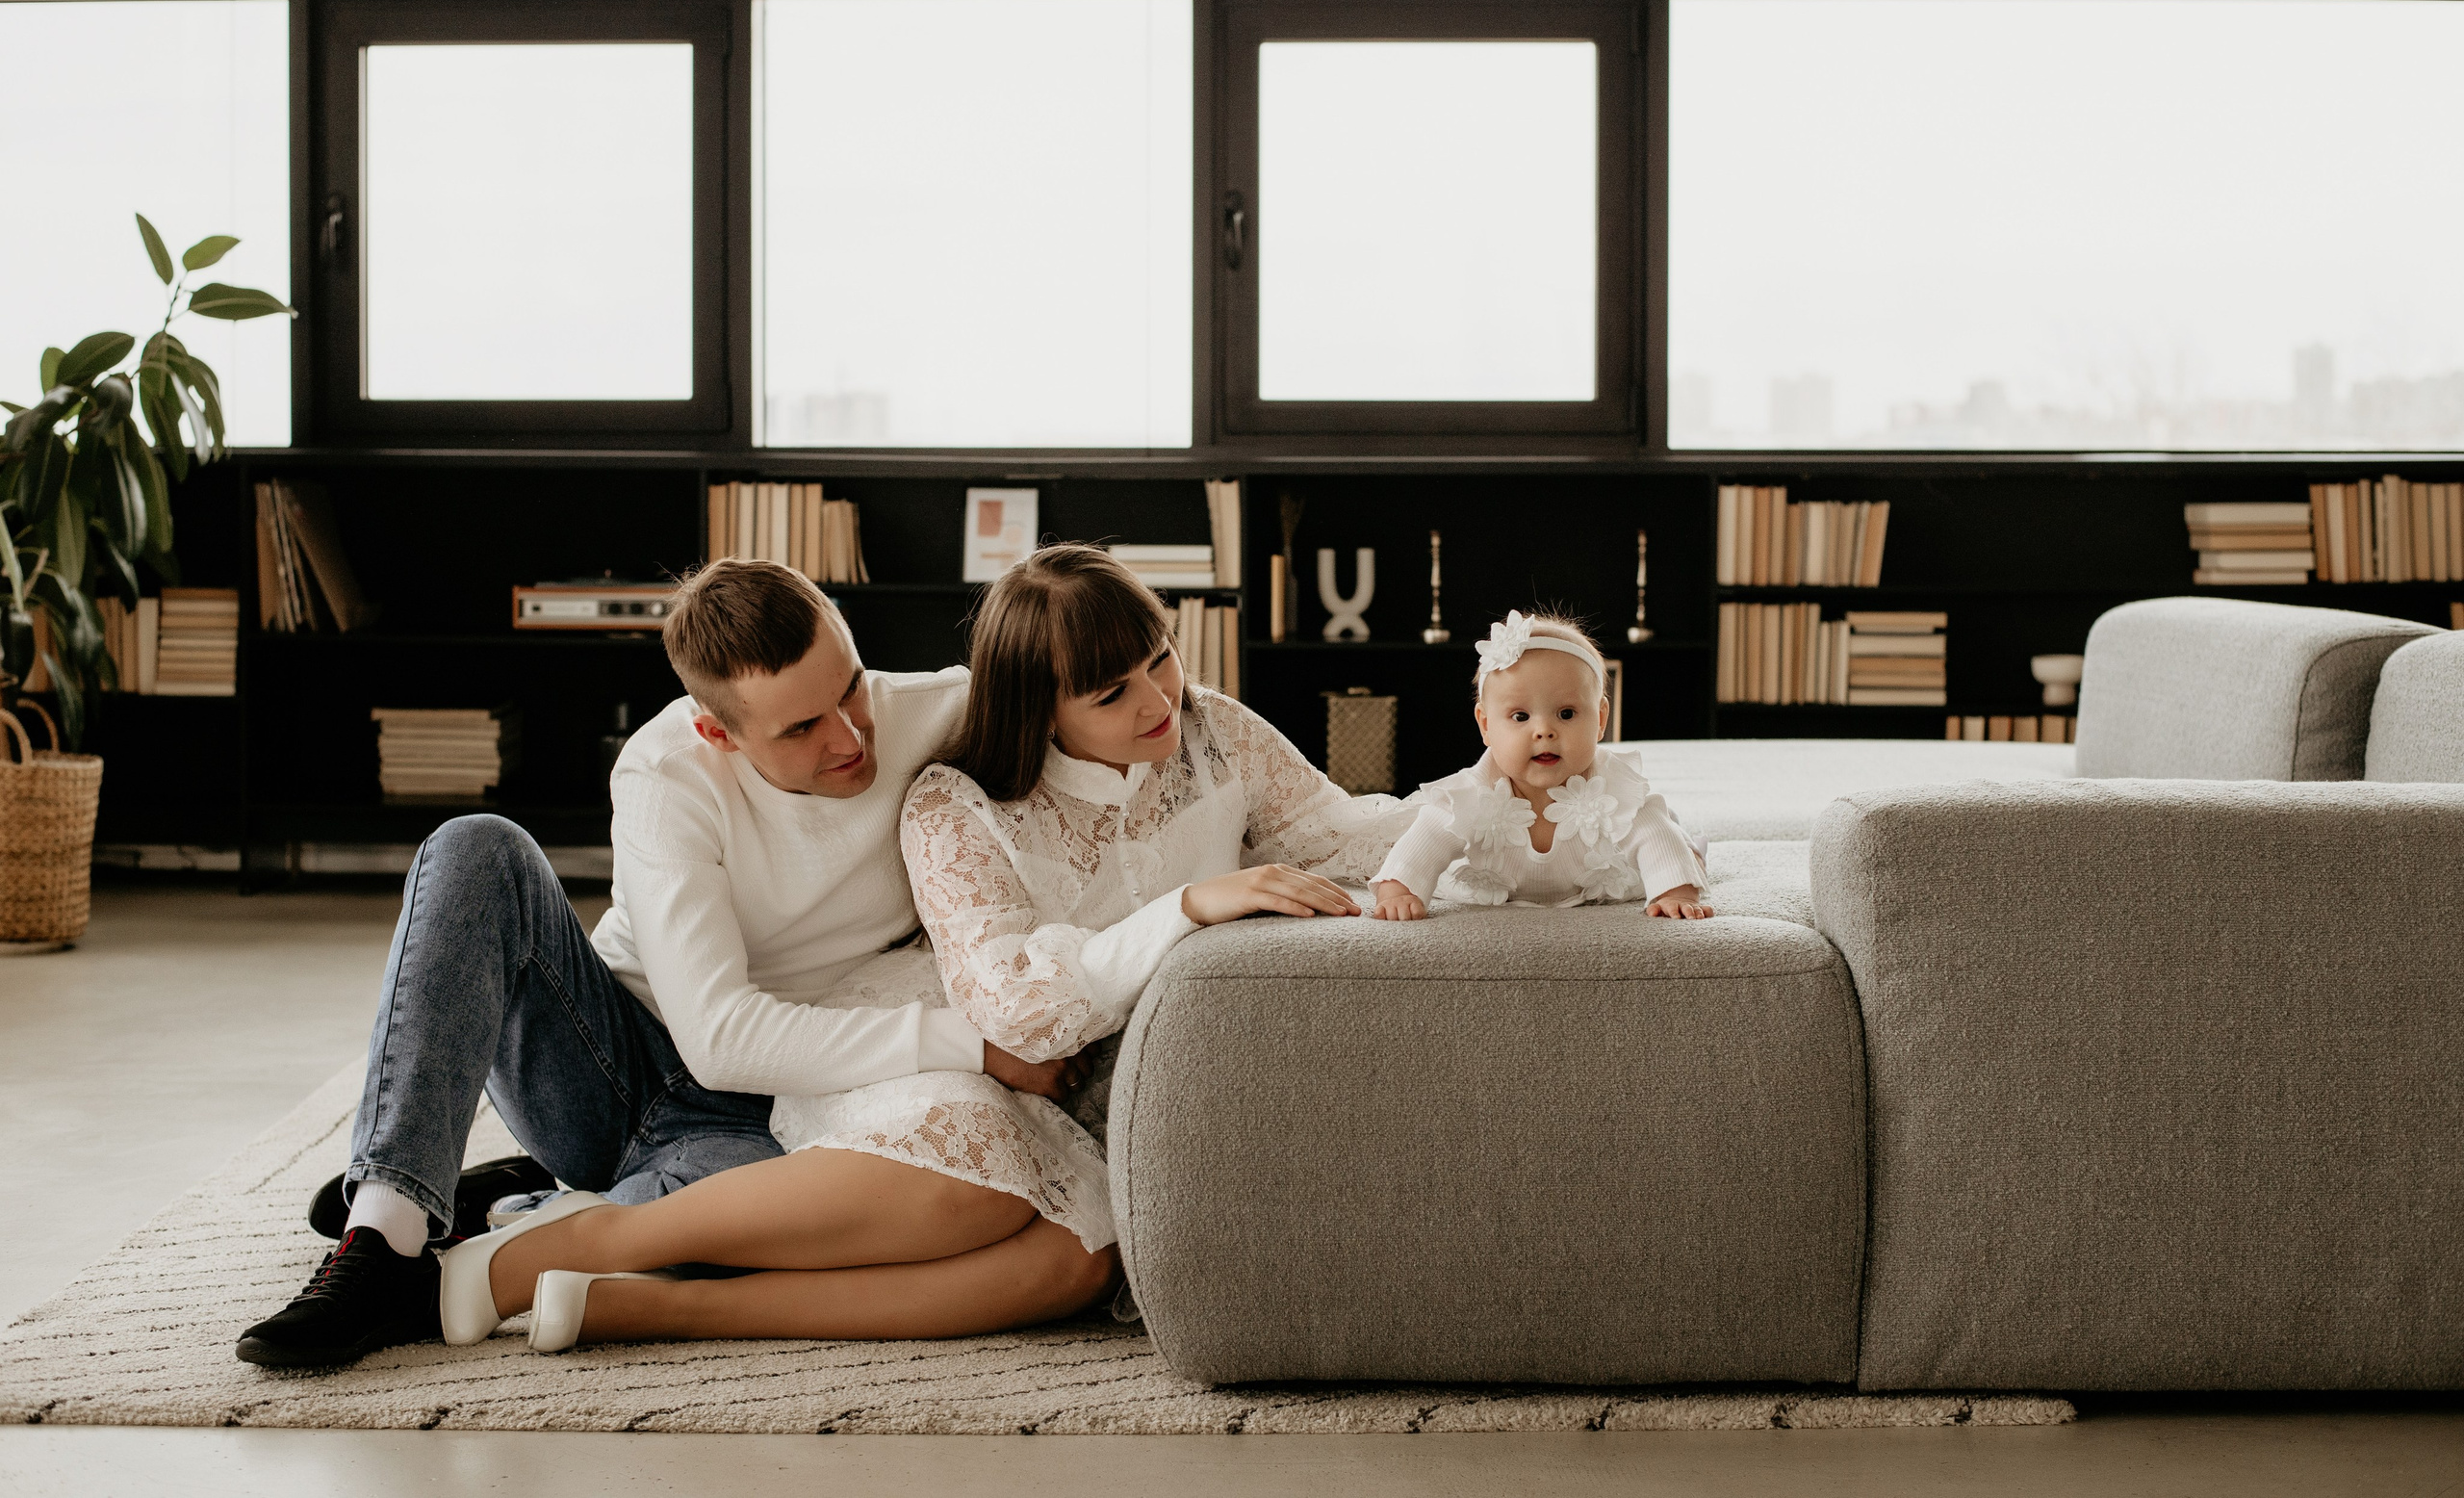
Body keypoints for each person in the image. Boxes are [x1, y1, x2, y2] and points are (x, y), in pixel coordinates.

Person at [443, 543, 1414, 1352]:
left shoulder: (1211, 727)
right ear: (1044, 705)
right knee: (980, 1183)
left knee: (1080, 1260)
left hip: (1076, 1076)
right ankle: (593, 1236)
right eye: (1113, 690)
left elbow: (1351, 832)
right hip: (918, 1032)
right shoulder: (951, 803)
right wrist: (1188, 906)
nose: (1159, 699)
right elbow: (1010, 1012)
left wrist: (1492, 803)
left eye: (1162, 657)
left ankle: (649, 1304)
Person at [235, 560, 1076, 1370]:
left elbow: (1122, 720)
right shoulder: (664, 768)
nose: (850, 736)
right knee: (476, 847)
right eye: (800, 728)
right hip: (614, 1065)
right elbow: (720, 1041)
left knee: (831, 1231)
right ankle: (384, 1232)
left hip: (788, 1111)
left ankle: (525, 1208)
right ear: (718, 732)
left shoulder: (943, 712)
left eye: (850, 686)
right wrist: (972, 1044)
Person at [1369, 610, 1712, 920]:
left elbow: (1654, 834)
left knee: (1673, 846)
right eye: (1521, 716)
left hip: (1605, 880)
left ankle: (1691, 852)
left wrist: (1675, 893)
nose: (1544, 731)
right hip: (1498, 885)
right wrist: (1399, 890)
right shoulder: (1470, 795)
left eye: (1566, 713)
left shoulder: (1615, 790)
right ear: (1486, 725)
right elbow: (1425, 840)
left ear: (1600, 719)